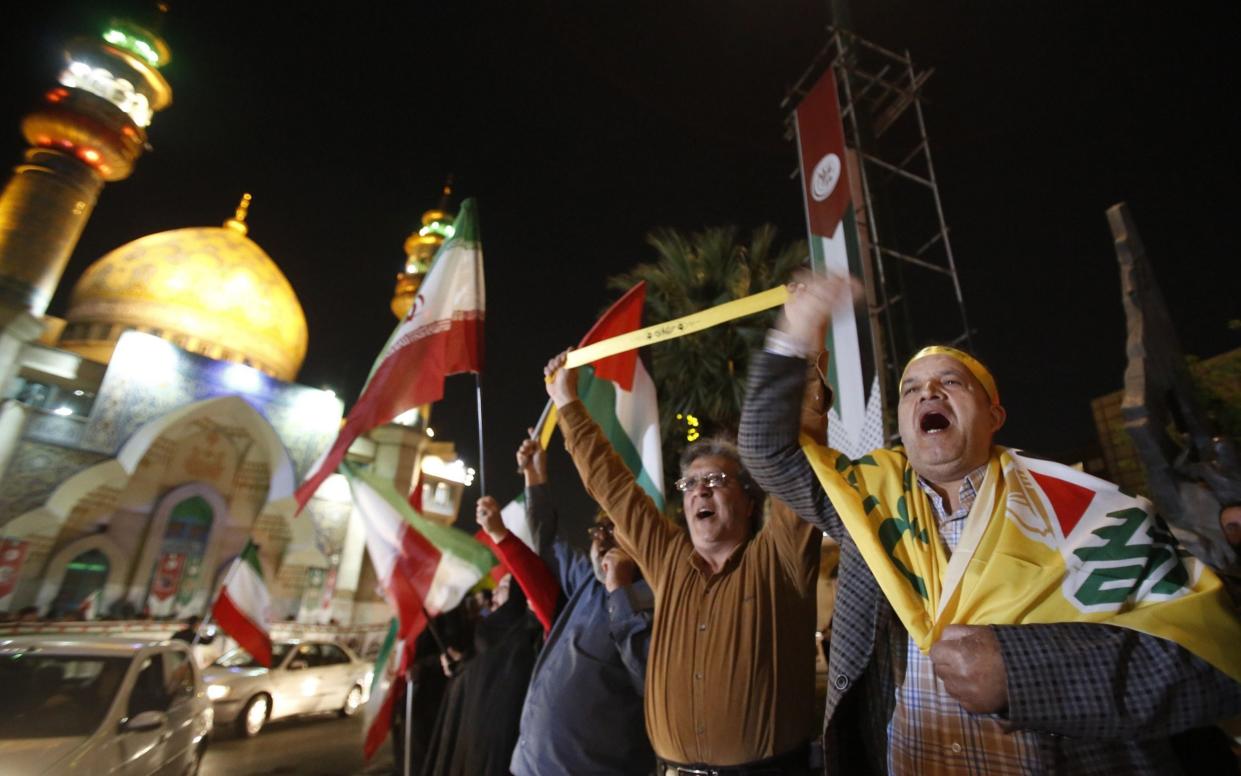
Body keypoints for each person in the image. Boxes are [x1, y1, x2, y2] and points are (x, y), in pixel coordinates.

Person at [738, 272, 1241, 775]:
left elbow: (1211, 663)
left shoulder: (1089, 514)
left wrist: (1024, 671)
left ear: (994, 413)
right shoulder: (866, 502)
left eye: (950, 382)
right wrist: (796, 340)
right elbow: (766, 449)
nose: (927, 392)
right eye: (911, 389)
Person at [544, 349, 821, 774]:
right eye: (690, 483)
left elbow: (798, 462)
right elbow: (613, 487)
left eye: (715, 480)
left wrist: (806, 363)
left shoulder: (778, 558)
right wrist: (567, 403)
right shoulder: (668, 559)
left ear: (749, 502)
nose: (699, 492)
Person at [503, 435, 656, 776]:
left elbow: (654, 686)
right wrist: (535, 476)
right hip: (527, 766)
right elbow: (549, 543)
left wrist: (621, 592)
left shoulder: (655, 602)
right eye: (602, 527)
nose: (603, 536)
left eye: (616, 530)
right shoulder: (588, 580)